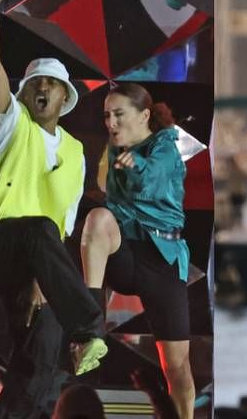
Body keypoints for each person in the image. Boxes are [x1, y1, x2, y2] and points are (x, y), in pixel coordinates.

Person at [0, 0, 106, 415]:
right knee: (39, 233)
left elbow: (62, 224)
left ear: (64, 98)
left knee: (40, 353)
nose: (42, 89)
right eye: (35, 82)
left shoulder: (75, 152)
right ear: (25, 93)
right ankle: (90, 327)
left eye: (52, 85)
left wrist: (41, 279)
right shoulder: (10, 125)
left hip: (31, 258)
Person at [79, 82, 194, 418]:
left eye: (118, 115)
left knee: (176, 366)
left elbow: (152, 181)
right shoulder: (116, 150)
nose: (111, 123)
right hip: (127, 254)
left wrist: (135, 165)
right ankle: (89, 326)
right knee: (97, 219)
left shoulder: (166, 148)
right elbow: (107, 195)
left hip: (163, 258)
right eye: (106, 116)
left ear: (144, 115)